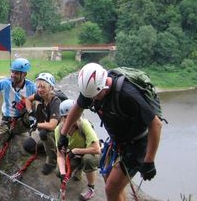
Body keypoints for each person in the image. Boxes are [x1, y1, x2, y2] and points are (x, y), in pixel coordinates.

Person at [58, 63, 163, 201]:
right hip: (118, 140)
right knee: (110, 182)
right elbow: (78, 107)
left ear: (106, 84)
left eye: (96, 96)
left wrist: (149, 161)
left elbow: (156, 124)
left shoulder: (127, 94)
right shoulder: (92, 89)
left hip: (137, 144)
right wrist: (63, 134)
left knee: (111, 189)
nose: (93, 99)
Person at [55, 99, 101, 201]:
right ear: (62, 118)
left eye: (72, 116)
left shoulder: (84, 124)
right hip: (73, 156)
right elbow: (60, 155)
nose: (69, 119)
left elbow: (97, 149)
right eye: (65, 117)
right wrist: (63, 174)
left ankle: (91, 188)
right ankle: (78, 170)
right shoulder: (59, 130)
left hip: (89, 153)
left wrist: (76, 151)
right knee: (58, 172)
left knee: (88, 159)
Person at [22, 72, 61, 175]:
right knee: (28, 146)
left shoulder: (55, 102)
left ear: (51, 88)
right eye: (38, 86)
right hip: (47, 129)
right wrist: (30, 113)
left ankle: (52, 161)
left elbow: (52, 125)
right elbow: (28, 100)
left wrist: (36, 124)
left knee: (44, 133)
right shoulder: (41, 96)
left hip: (60, 132)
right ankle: (51, 149)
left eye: (43, 87)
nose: (39, 90)